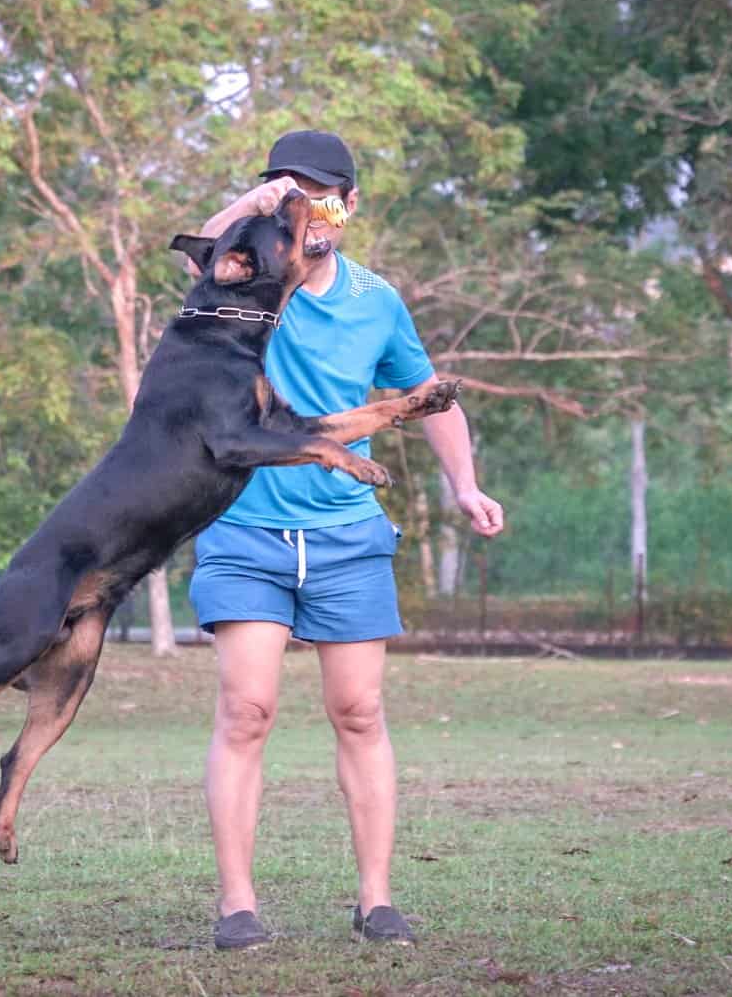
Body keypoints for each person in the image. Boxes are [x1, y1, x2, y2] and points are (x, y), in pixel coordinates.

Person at [185, 130, 505, 950]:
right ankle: (237, 907)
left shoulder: (375, 300)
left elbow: (427, 394)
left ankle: (376, 899)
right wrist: (259, 206)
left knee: (359, 711)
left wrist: (464, 483)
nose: (311, 209)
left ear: (351, 205)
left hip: (345, 534)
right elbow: (196, 260)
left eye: (325, 193)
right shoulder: (251, 275)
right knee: (246, 709)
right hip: (245, 526)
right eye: (293, 193)